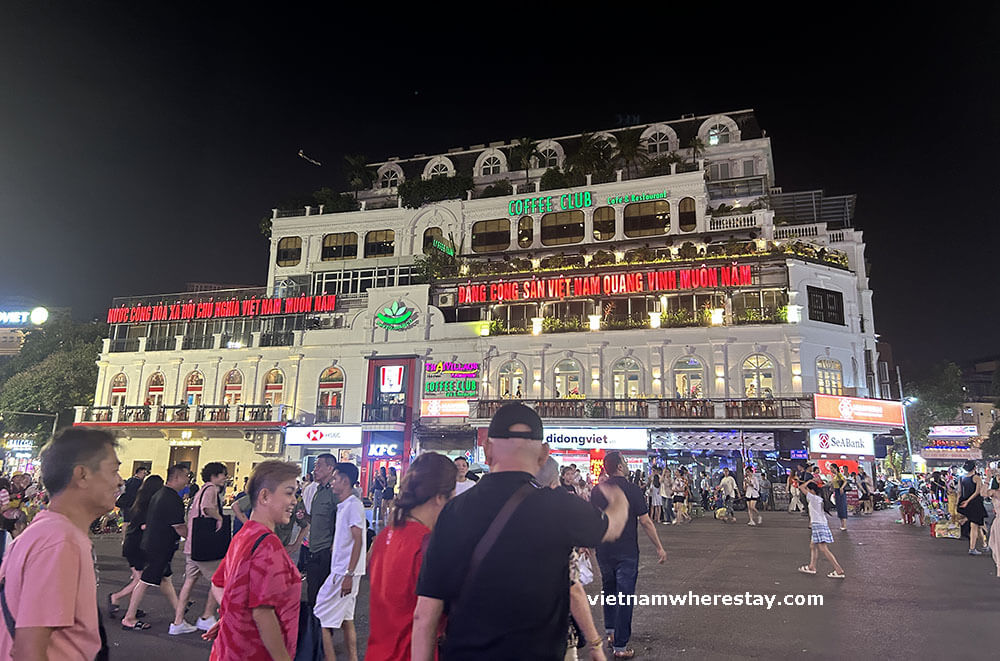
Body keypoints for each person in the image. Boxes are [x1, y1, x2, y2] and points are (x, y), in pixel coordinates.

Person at [413, 402, 629, 661]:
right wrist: (618, 499)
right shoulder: (561, 507)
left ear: (488, 451)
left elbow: (425, 614)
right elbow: (612, 527)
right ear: (543, 454)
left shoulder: (453, 512)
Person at [0, 427, 122, 660]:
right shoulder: (60, 541)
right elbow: (28, 651)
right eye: (114, 470)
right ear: (82, 475)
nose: (119, 481)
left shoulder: (43, 531)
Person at [206, 460, 302, 661]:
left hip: (228, 650)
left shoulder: (244, 534)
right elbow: (263, 613)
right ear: (265, 496)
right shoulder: (268, 544)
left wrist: (234, 616)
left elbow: (218, 584)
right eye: (288, 492)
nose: (294, 500)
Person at [366, 453, 456, 661]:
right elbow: (431, 616)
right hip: (410, 653)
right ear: (440, 497)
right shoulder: (428, 544)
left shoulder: (384, 537)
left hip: (377, 653)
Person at [591, 451, 666, 659]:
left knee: (609, 590)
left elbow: (593, 520)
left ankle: (611, 632)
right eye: (624, 461)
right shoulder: (633, 490)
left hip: (603, 549)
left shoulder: (597, 490)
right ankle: (621, 646)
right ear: (621, 467)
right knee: (624, 596)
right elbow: (645, 521)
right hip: (627, 552)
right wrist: (659, 546)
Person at [121, 464, 188, 630]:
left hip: (153, 544)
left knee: (165, 579)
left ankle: (179, 613)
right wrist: (191, 538)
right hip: (159, 546)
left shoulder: (159, 494)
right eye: (186, 476)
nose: (188, 480)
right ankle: (129, 617)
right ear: (177, 477)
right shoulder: (172, 498)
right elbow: (178, 525)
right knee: (144, 581)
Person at [170, 462, 229, 635]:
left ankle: (178, 621)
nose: (225, 478)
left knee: (189, 582)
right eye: (223, 474)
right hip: (206, 548)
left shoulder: (201, 490)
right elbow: (207, 508)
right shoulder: (211, 489)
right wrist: (219, 518)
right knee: (219, 581)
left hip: (193, 546)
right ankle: (207, 617)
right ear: (214, 476)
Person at [314, 463, 365, 661]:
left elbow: (358, 539)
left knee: (320, 616)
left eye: (335, 479)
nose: (333, 483)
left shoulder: (353, 505)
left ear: (344, 481)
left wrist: (348, 575)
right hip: (345, 571)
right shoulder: (346, 505)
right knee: (347, 619)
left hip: (344, 572)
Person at [108, 473, 164, 617]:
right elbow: (144, 526)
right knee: (140, 580)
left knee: (139, 579)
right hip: (136, 546)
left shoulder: (140, 501)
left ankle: (129, 607)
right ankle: (116, 598)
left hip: (133, 545)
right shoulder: (149, 505)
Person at [304, 453, 339, 606]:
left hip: (326, 551)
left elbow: (341, 520)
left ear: (330, 468)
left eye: (319, 466)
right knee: (312, 594)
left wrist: (334, 546)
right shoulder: (318, 491)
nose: (314, 469)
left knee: (324, 597)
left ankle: (324, 629)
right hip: (313, 549)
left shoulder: (334, 492)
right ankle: (314, 628)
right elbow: (316, 520)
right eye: (315, 466)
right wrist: (304, 516)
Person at [797, 477, 845, 579]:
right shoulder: (819, 499)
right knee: (812, 546)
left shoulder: (813, 498)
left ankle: (838, 569)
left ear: (812, 491)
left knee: (823, 548)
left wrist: (810, 481)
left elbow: (801, 487)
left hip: (818, 524)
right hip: (820, 523)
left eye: (809, 490)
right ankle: (812, 566)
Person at [958, 460, 988, 556]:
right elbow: (978, 492)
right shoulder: (977, 478)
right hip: (975, 504)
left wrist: (958, 504)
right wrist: (968, 501)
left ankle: (984, 545)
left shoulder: (961, 478)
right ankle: (972, 548)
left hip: (965, 503)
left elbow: (959, 492)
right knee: (975, 526)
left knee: (978, 524)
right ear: (974, 468)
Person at [830, 464, 849, 531]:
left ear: (835, 468)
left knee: (842, 507)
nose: (831, 470)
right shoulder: (834, 476)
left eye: (832, 468)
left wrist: (841, 488)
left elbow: (845, 481)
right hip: (836, 492)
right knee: (839, 507)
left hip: (840, 492)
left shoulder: (839, 474)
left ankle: (844, 525)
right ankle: (842, 524)